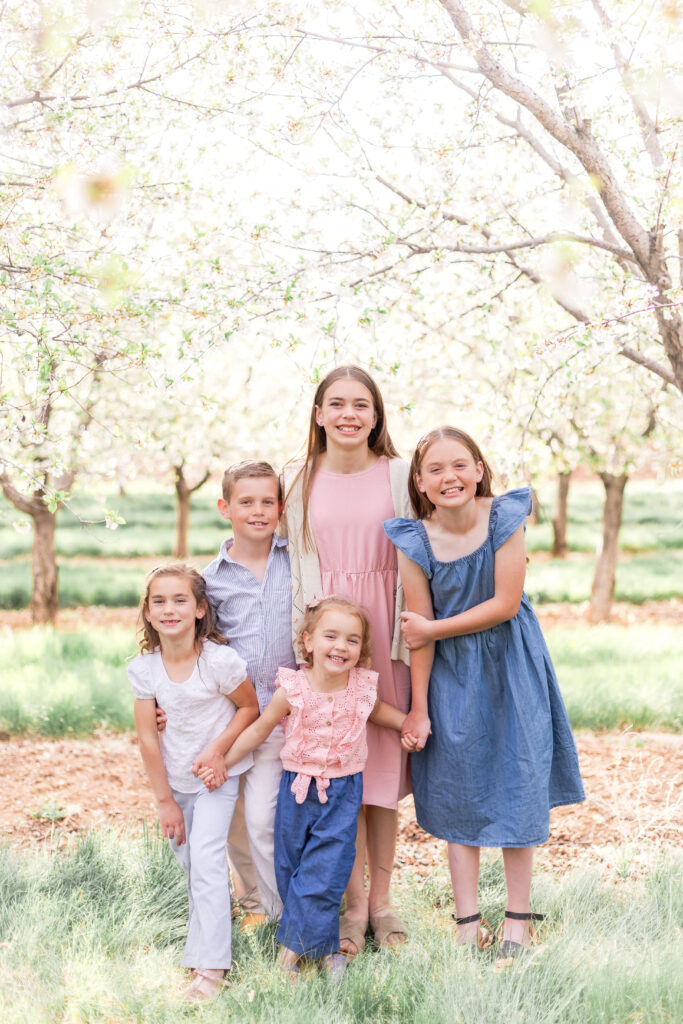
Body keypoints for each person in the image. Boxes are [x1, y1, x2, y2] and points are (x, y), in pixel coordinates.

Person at [383, 427, 585, 963]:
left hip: (512, 665)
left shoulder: (503, 517)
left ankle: (519, 920)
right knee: (458, 789)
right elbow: (416, 631)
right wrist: (420, 707)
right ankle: (467, 921)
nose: (449, 477)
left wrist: (431, 630)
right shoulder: (414, 540)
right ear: (420, 483)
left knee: (518, 783)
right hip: (451, 676)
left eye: (459, 465)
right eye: (435, 470)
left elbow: (505, 603)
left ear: (478, 468)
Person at [198, 596, 408, 981]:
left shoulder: (361, 689)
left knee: (326, 871)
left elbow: (378, 712)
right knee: (292, 870)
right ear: (308, 641)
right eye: (331, 636)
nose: (341, 647)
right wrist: (223, 763)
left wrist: (407, 724)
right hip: (296, 792)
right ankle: (326, 948)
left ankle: (289, 957)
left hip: (342, 795)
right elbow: (259, 730)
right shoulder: (292, 689)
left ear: (361, 650)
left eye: (352, 640)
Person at [281, 365, 414, 957]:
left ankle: (381, 903)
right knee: (339, 778)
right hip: (327, 641)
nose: (349, 415)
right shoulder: (296, 478)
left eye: (362, 404)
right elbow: (267, 550)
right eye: (336, 404)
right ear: (318, 414)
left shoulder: (402, 474)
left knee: (381, 775)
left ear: (376, 414)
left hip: (383, 634)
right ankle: (350, 903)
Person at [129, 563, 259, 1000]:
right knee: (192, 868)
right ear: (147, 613)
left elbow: (249, 708)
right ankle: (209, 944)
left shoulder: (218, 661)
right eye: (158, 601)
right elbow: (148, 738)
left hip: (215, 778)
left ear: (200, 608)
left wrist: (218, 750)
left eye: (180, 599)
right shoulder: (144, 670)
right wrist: (163, 800)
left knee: (205, 862)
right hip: (176, 784)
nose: (169, 609)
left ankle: (211, 971)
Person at [202, 460, 297, 926]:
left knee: (263, 820)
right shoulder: (210, 579)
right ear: (226, 508)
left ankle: (286, 919)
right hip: (231, 717)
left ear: (280, 507)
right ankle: (254, 902)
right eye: (246, 502)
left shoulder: (297, 560)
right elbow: (195, 649)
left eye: (267, 501)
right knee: (235, 823)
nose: (258, 511)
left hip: (281, 717)